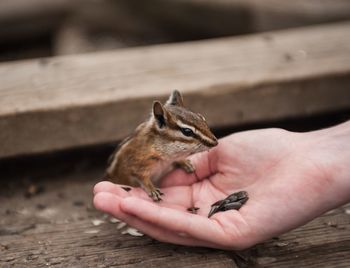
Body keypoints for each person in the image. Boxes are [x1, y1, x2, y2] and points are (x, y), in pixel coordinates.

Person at [93, 121, 350, 249]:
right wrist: (150, 187)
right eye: (188, 135)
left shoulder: (170, 150)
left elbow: (172, 157)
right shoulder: (147, 150)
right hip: (130, 180)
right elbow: (140, 170)